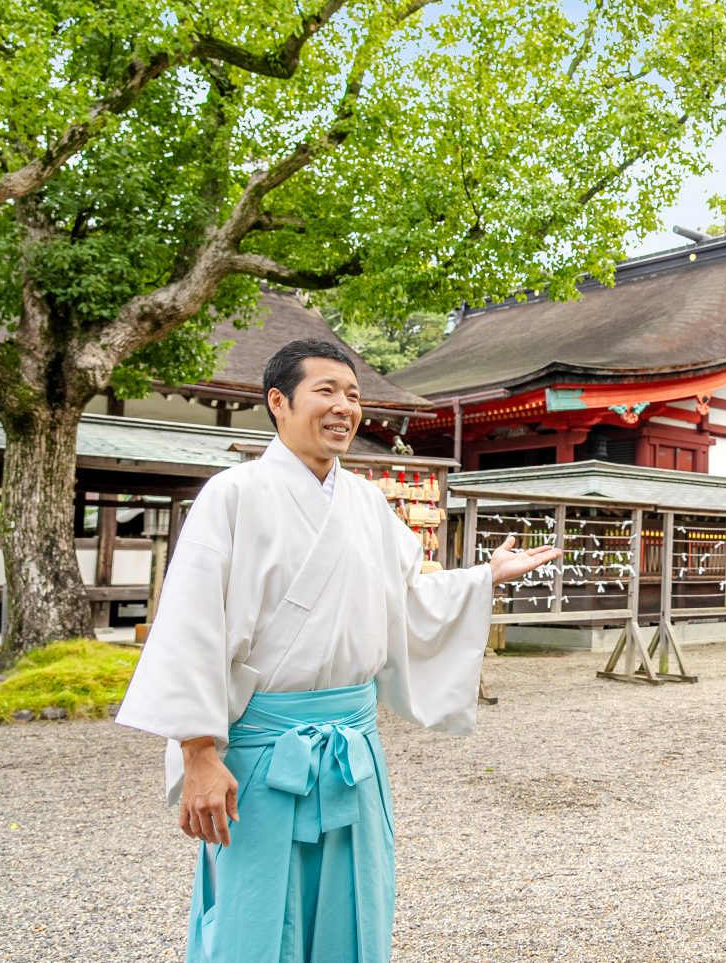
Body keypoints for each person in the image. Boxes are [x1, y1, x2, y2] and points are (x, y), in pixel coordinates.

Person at [117, 338, 558, 962]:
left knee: (355, 910)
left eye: (353, 395)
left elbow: (406, 602)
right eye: (326, 391)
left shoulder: (367, 503)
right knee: (255, 914)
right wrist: (197, 754)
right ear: (278, 402)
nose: (344, 407)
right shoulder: (233, 494)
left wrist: (483, 579)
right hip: (261, 752)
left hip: (352, 748)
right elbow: (191, 626)